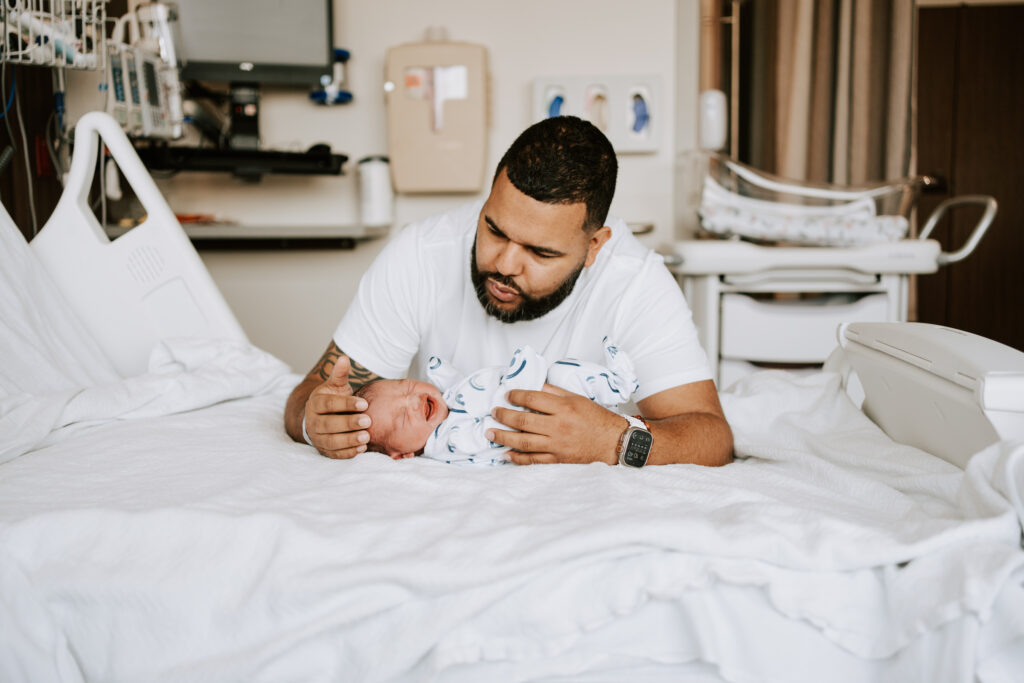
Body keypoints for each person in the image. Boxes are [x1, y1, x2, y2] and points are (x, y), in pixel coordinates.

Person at [284, 115, 733, 466]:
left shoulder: (636, 283)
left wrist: (613, 439)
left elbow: (711, 436)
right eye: (494, 229)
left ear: (593, 246)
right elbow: (309, 395)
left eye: (539, 252)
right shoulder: (422, 253)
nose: (503, 264)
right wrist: (314, 421)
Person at [358, 340, 639, 465]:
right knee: (564, 373)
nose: (412, 401)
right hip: (538, 403)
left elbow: (464, 393)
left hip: (565, 406)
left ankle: (613, 387)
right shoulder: (450, 441)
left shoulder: (444, 411)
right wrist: (519, 381)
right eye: (402, 417)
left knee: (565, 370)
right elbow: (497, 427)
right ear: (403, 454)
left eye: (406, 386)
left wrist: (447, 375)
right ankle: (619, 385)